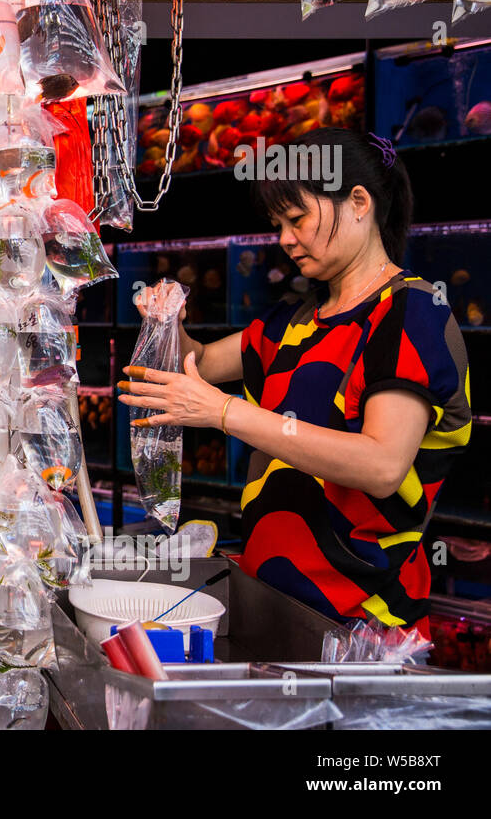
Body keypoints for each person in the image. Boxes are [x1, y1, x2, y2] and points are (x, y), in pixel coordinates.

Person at [117, 128, 471, 636]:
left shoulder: (410, 313)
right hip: (272, 604)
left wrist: (222, 412)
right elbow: (195, 362)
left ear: (358, 203)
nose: (284, 238)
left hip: (363, 626)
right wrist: (168, 321)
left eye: (298, 218)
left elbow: (382, 464)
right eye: (278, 223)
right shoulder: (294, 321)